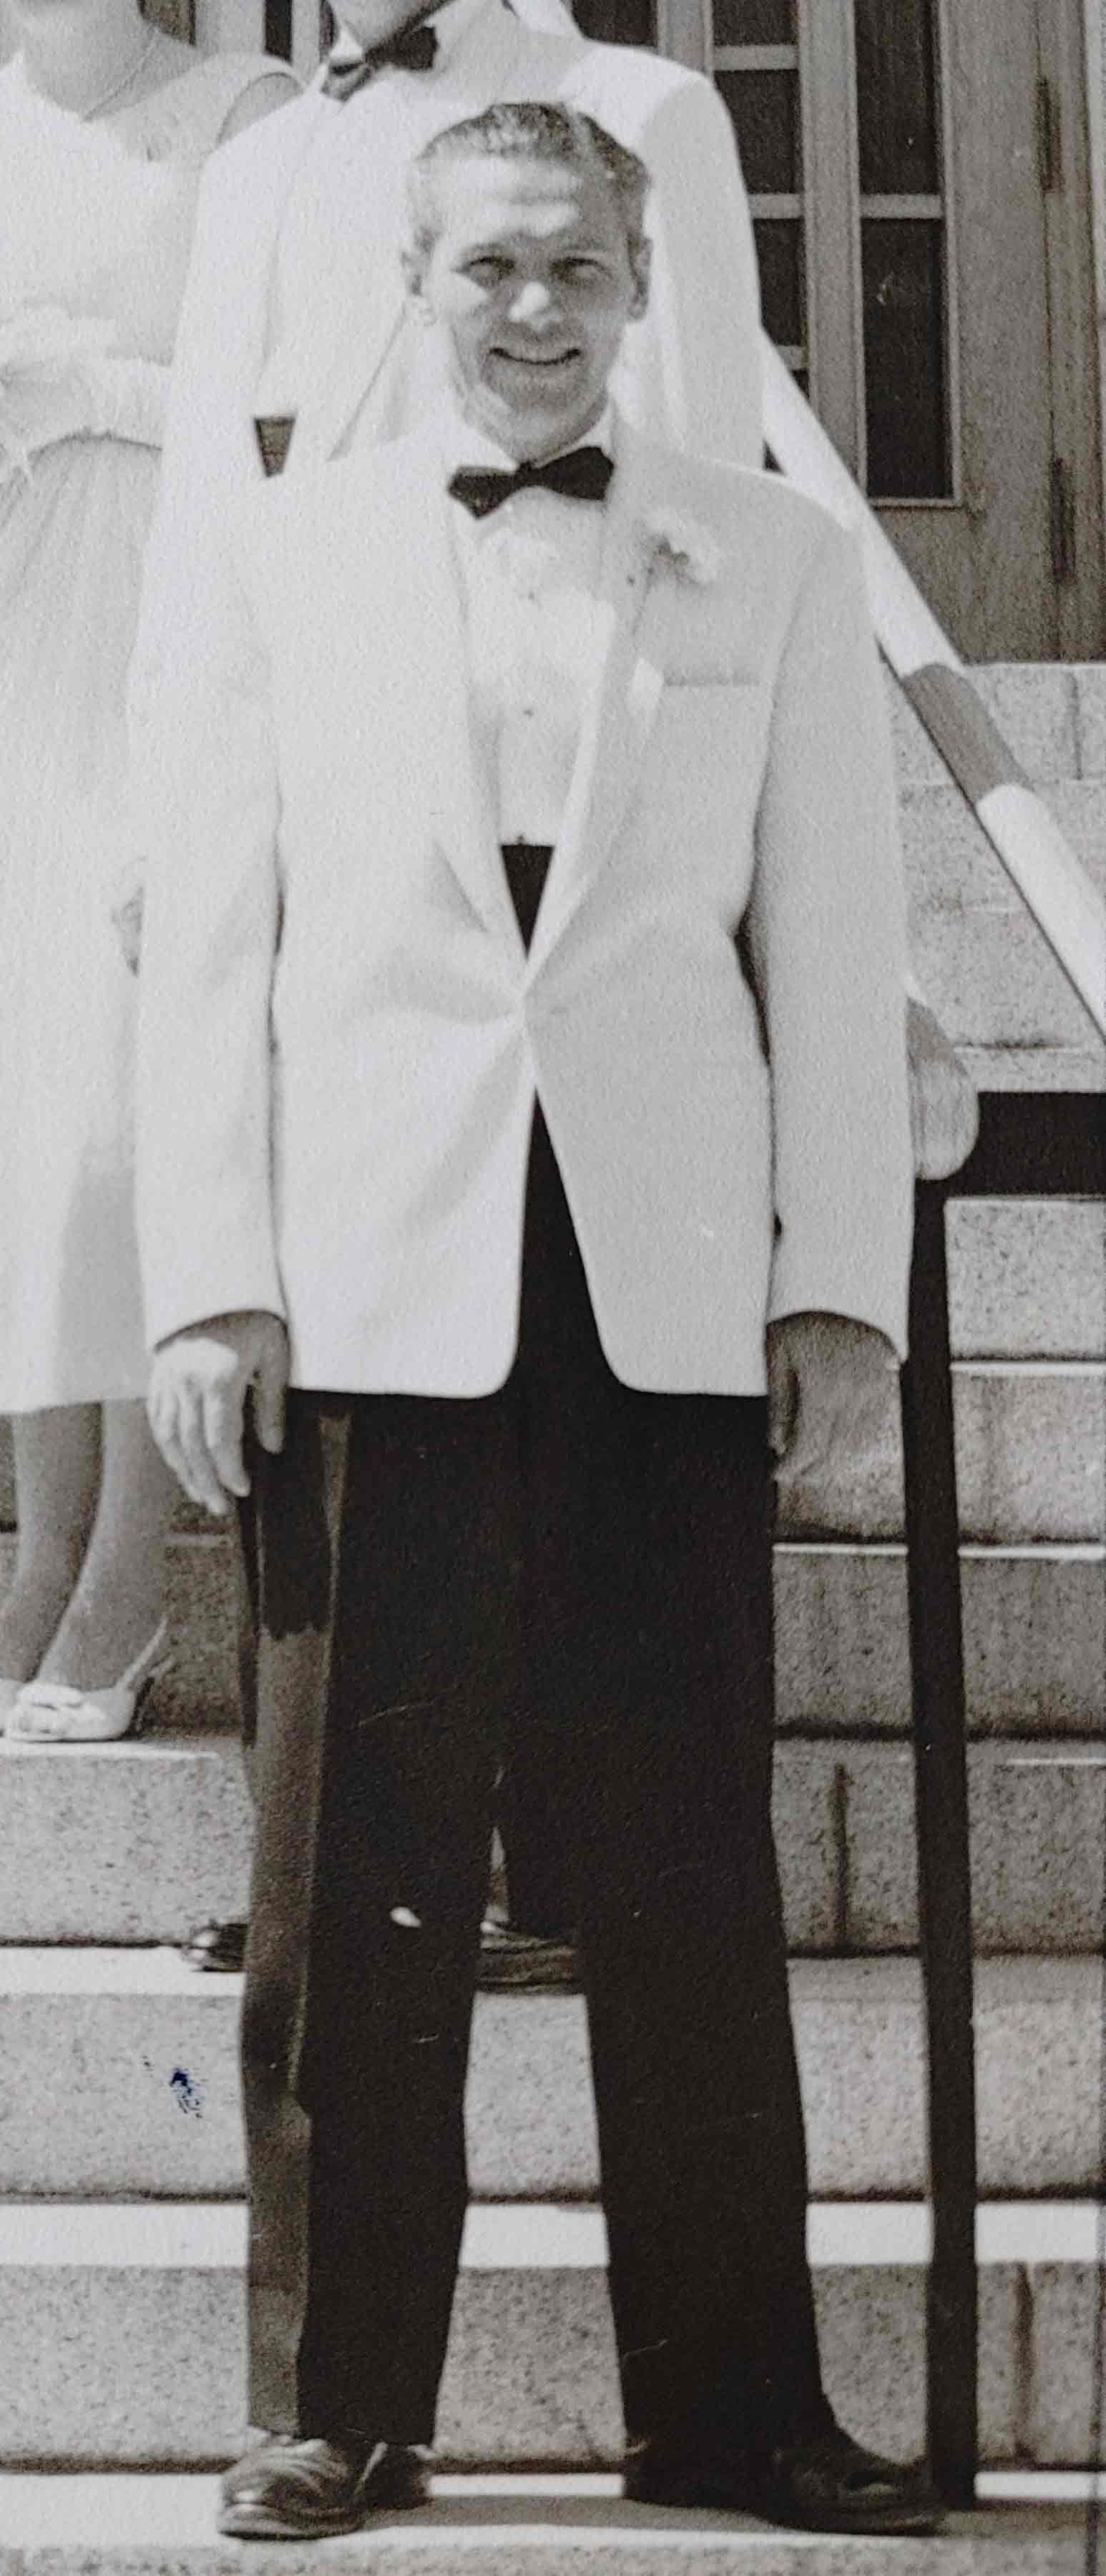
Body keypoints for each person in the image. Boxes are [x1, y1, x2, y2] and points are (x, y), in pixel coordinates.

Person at [136, 102, 941, 2542]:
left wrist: (832, 1288)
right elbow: (217, 949)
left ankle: (732, 2407)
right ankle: (329, 2406)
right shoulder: (279, 564)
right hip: (373, 1276)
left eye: (573, 269)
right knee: (342, 1876)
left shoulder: (775, 556)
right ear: (413, 285)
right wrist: (210, 1276)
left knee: (683, 1865)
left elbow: (818, 938)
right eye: (486, 267)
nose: (529, 310)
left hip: (658, 1283)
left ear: (638, 282)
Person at [0, 0, 295, 1744]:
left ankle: (131, 1567)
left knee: (121, 1096)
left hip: (168, 604)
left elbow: (303, 395)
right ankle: (42, 1557)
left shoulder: (243, 116)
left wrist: (87, 384)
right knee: (29, 1109)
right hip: (17, 607)